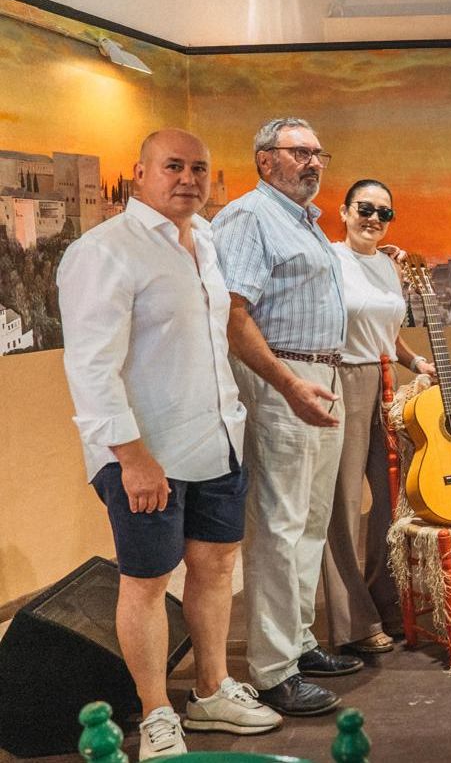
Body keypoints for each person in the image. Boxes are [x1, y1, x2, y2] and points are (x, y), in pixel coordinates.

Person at [58, 129, 281, 759]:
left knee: (214, 569)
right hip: (143, 453)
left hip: (214, 438)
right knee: (149, 580)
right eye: (172, 166)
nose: (187, 178)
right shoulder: (104, 251)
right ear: (140, 172)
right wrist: (131, 457)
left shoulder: (205, 240)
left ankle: (211, 693)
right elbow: (92, 369)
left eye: (199, 168)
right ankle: (157, 711)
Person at [212, 117, 359, 716]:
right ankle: (273, 670)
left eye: (318, 153)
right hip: (283, 380)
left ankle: (297, 644)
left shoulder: (303, 222)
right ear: (264, 159)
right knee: (277, 524)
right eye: (300, 152)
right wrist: (288, 384)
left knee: (309, 521)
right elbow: (234, 314)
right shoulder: (250, 217)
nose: (314, 163)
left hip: (321, 376)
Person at [320, 179, 435, 656]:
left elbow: (386, 332)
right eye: (365, 208)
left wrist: (416, 363)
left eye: (384, 212)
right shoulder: (327, 259)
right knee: (343, 505)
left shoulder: (390, 267)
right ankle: (352, 621)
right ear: (345, 211)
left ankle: (390, 605)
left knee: (394, 502)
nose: (373, 218)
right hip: (341, 377)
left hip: (387, 381)